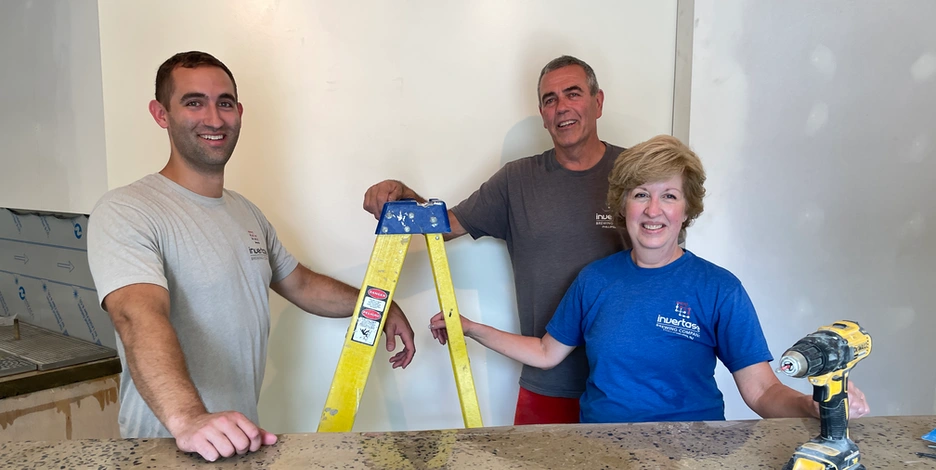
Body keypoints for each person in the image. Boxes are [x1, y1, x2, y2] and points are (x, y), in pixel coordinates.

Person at [87, 51, 416, 461]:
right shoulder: (128, 209)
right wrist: (189, 419)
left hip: (239, 441)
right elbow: (137, 316)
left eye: (224, 103)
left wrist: (381, 305)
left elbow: (302, 285)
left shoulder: (245, 213)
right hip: (167, 445)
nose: (214, 118)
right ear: (161, 114)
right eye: (194, 103)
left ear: (239, 113)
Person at [429, 135, 870, 423]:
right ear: (623, 205)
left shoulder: (719, 289)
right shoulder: (594, 280)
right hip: (602, 450)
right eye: (641, 194)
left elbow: (761, 391)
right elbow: (546, 353)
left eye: (669, 196)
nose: (653, 210)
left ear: (686, 209)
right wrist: (469, 327)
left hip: (693, 453)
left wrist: (809, 406)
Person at [363, 55, 624, 425]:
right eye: (550, 99)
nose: (562, 107)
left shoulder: (635, 175)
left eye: (573, 93)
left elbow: (666, 265)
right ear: (542, 114)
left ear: (598, 102)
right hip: (547, 381)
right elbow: (445, 226)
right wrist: (404, 196)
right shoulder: (518, 181)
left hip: (625, 385)